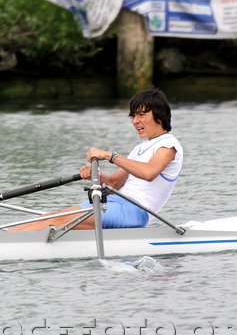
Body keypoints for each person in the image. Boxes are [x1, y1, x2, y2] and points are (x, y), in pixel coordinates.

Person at [10, 90, 182, 231]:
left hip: (134, 211)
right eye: (133, 116)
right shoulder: (139, 149)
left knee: (59, 220)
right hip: (114, 204)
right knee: (49, 217)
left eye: (142, 115)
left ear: (159, 115)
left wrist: (109, 156)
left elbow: (149, 173)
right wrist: (96, 177)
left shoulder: (169, 145)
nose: (135, 121)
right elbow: (114, 184)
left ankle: (1, 244)